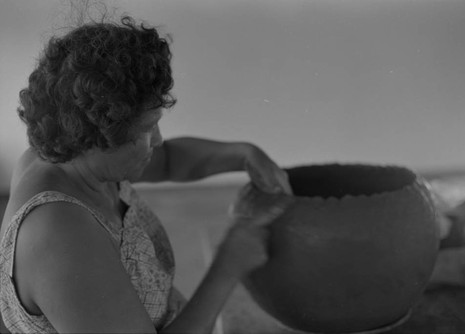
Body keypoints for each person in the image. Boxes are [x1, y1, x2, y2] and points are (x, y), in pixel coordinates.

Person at [0, 15, 292, 334]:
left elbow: (168, 160)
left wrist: (244, 154)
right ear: (97, 139)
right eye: (147, 128)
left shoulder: (80, 160)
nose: (158, 139)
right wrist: (227, 265)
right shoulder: (59, 236)